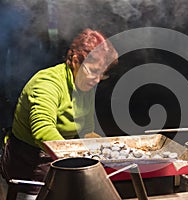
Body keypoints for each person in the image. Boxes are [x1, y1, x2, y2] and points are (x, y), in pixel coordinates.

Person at [0, 28, 118, 199]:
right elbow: (43, 132)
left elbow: (85, 131)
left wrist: (109, 147)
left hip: (61, 158)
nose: (97, 80)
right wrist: (75, 159)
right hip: (30, 163)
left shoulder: (85, 83)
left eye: (102, 74)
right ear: (75, 59)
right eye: (93, 71)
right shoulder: (47, 83)